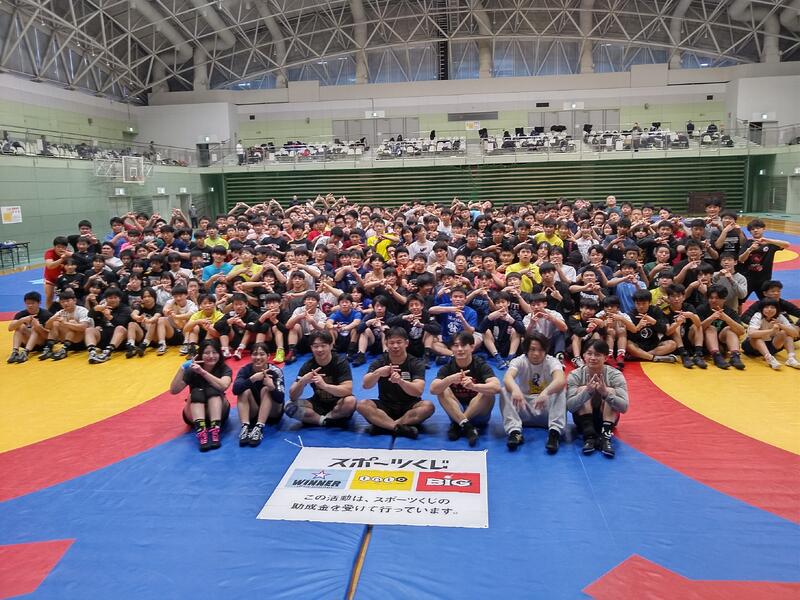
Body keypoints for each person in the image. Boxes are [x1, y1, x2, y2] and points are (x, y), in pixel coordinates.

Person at [358, 327, 434, 438]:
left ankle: (383, 425)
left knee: (428, 406)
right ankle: (398, 428)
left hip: (409, 405)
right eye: (392, 343)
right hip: (385, 405)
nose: (395, 346)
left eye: (399, 342)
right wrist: (378, 373)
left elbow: (418, 391)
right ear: (386, 343)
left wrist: (400, 381)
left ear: (406, 343)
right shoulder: (380, 362)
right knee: (362, 405)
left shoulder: (415, 363)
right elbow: (366, 385)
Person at [429, 331, 500, 446]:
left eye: (463, 345)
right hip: (456, 411)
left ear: (472, 347)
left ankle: (460, 424)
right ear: (451, 349)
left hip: (478, 415)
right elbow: (433, 389)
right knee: (441, 388)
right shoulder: (448, 367)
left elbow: (496, 387)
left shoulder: (481, 365)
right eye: (456, 345)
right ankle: (467, 426)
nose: (460, 349)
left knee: (488, 392)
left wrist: (474, 386)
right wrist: (450, 379)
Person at [501, 332, 567, 453]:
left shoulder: (552, 361)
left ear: (545, 350)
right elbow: (507, 378)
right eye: (532, 349)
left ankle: (554, 434)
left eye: (540, 350)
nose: (536, 353)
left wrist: (545, 393)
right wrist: (515, 389)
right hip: (524, 407)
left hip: (546, 409)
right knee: (505, 390)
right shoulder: (519, 361)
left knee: (560, 390)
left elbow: (561, 380)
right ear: (526, 350)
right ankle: (515, 432)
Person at [567, 339, 629, 458]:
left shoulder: (615, 375)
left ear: (605, 358)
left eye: (597, 355)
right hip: (582, 420)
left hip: (608, 419)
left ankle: (606, 437)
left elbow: (624, 407)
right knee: (582, 389)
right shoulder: (575, 375)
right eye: (589, 353)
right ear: (583, 355)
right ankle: (589, 436)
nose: (593, 358)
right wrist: (587, 392)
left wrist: (605, 394)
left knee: (610, 391)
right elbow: (570, 407)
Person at [170, 340, 232, 452]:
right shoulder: (192, 370)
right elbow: (174, 390)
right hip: (195, 413)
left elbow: (223, 386)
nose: (211, 356)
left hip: (218, 413)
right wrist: (182, 368)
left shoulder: (224, 368)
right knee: (196, 393)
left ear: (219, 354)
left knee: (213, 390)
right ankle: (201, 431)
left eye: (214, 352)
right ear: (200, 355)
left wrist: (203, 372)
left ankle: (215, 429)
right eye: (207, 353)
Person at [287, 330, 357, 428]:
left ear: (331, 346)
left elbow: (348, 390)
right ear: (311, 348)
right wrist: (302, 382)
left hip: (338, 403)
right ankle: (324, 421)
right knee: (289, 406)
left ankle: (324, 418)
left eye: (323, 345)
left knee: (351, 401)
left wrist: (324, 386)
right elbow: (292, 396)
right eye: (315, 346)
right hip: (318, 403)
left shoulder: (340, 362)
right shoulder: (308, 366)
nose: (319, 349)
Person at [233, 342, 285, 446]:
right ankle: (245, 426)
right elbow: (235, 390)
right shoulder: (245, 370)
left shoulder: (275, 371)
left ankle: (259, 427)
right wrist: (252, 379)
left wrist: (272, 387)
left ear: (268, 356)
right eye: (255, 354)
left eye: (262, 354)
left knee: (266, 389)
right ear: (250, 356)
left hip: (273, 412)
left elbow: (281, 398)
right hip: (254, 412)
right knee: (243, 390)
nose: (258, 357)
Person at [697, 284, 746, 370]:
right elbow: (696, 329)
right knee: (711, 328)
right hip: (704, 342)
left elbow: (742, 331)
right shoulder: (702, 309)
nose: (713, 300)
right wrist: (711, 318)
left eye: (717, 298)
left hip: (722, 344)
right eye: (711, 298)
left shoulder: (730, 311)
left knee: (729, 329)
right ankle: (716, 356)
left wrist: (726, 318)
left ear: (724, 299)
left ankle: (735, 356)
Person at [38, 289, 92, 361]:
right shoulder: (61, 312)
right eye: (62, 302)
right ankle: (49, 348)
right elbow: (47, 327)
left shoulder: (82, 310)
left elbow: (83, 327)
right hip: (69, 341)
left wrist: (65, 323)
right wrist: (52, 318)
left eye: (67, 301)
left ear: (74, 301)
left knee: (72, 322)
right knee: (55, 323)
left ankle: (65, 349)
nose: (65, 304)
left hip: (82, 341)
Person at [85, 287, 132, 364]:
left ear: (119, 299)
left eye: (115, 298)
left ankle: (107, 353)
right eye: (110, 298)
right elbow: (89, 315)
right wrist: (96, 309)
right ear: (106, 299)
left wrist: (109, 317)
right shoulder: (103, 307)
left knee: (120, 328)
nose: (113, 300)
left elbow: (121, 324)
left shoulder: (125, 309)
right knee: (89, 330)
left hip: (119, 341)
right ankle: (92, 352)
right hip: (104, 338)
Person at [7, 291, 52, 364]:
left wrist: (38, 327)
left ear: (39, 303)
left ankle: (26, 352)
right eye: (28, 303)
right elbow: (10, 328)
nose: (30, 305)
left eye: (33, 303)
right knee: (20, 326)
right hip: (27, 340)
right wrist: (22, 320)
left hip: (41, 343)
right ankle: (15, 352)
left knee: (35, 328)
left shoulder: (46, 315)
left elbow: (51, 336)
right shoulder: (21, 314)